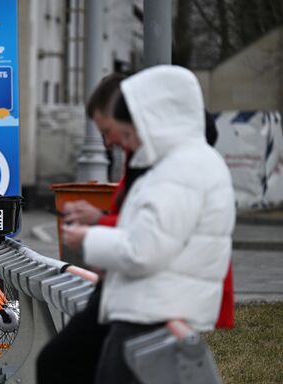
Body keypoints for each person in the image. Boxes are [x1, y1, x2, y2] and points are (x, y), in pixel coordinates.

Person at [61, 65, 235, 382]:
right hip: (154, 304)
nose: (125, 144)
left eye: (126, 133)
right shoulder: (186, 163)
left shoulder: (180, 170)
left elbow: (144, 250)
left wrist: (89, 238)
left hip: (151, 307)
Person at [37, 73, 138, 384]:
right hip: (128, 289)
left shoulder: (157, 161)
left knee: (61, 362)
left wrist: (91, 236)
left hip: (137, 293)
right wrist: (98, 219)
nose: (107, 142)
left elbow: (148, 237)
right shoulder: (142, 157)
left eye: (107, 130)